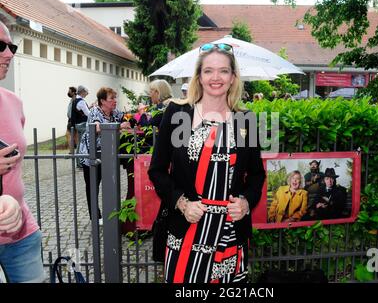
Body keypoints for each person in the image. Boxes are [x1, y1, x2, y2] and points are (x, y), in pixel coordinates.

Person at [148, 42, 265, 283]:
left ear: (233, 77)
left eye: (223, 71)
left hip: (230, 232)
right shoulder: (177, 114)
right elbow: (157, 170)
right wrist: (181, 202)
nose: (216, 77)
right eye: (208, 71)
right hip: (187, 227)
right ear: (199, 77)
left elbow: (257, 176)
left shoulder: (247, 120)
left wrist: (245, 202)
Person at [0, 20, 45, 283]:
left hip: (21, 236)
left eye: (11, 46)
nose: (9, 54)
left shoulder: (13, 102)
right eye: (0, 46)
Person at [120, 79, 173, 236]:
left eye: (151, 91)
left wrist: (142, 116)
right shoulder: (168, 105)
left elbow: (150, 127)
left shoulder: (164, 107)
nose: (150, 95)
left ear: (158, 92)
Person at [78, 87, 131, 222]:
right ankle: (95, 217)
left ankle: (110, 212)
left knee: (108, 184)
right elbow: (97, 128)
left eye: (115, 97)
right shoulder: (95, 111)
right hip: (91, 155)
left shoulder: (114, 113)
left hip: (106, 155)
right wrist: (119, 126)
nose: (115, 101)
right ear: (102, 101)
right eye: (111, 98)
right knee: (92, 186)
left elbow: (127, 118)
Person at [72, 85, 90, 167]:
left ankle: (79, 162)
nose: (87, 93)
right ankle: (80, 162)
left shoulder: (75, 100)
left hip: (77, 124)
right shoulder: (81, 101)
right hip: (82, 124)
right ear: (82, 92)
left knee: (80, 143)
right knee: (82, 143)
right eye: (86, 92)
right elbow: (88, 114)